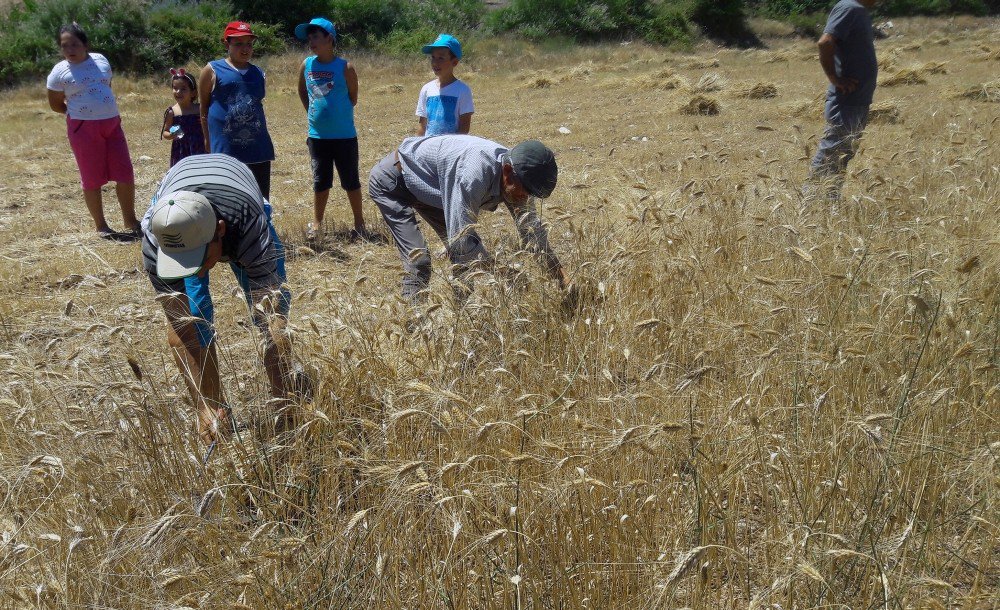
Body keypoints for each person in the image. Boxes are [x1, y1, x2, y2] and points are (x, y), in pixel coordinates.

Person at [141, 153, 293, 445]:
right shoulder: (154, 239)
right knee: (193, 319)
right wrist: (206, 406)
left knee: (273, 312)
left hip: (235, 186)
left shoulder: (249, 224)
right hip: (182, 190)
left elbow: (272, 318)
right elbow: (181, 327)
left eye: (198, 258)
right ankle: (215, 409)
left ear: (220, 231)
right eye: (181, 262)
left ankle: (285, 396)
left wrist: (285, 405)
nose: (193, 270)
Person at [368, 135, 572, 303]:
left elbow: (532, 234)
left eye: (531, 195)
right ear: (508, 173)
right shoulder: (474, 174)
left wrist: (561, 276)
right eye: (525, 192)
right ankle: (413, 330)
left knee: (463, 263)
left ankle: (461, 321)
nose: (525, 198)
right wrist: (501, 271)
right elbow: (461, 240)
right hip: (394, 182)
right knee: (419, 260)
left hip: (434, 187)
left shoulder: (520, 177)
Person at [46, 22, 140, 241]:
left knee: (125, 173)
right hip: (83, 127)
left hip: (112, 123)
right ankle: (102, 226)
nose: (70, 50)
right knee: (92, 178)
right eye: (64, 45)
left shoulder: (101, 60)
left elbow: (106, 85)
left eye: (74, 44)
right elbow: (55, 104)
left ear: (85, 44)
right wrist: (82, 117)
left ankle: (130, 220)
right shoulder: (59, 72)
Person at [293, 17, 370, 242]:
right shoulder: (306, 65)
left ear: (329, 39)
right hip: (318, 137)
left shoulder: (345, 67)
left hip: (344, 136)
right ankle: (317, 223)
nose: (311, 42)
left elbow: (353, 97)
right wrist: (313, 112)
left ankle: (359, 223)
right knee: (320, 181)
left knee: (351, 181)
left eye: (316, 37)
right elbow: (302, 91)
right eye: (309, 38)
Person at [807, 0, 879, 202]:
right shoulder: (849, 7)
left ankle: (829, 201)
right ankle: (810, 203)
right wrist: (834, 79)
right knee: (832, 152)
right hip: (846, 101)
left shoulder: (858, 11)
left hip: (858, 100)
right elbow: (825, 42)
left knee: (842, 155)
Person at [198, 22, 276, 198]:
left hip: (257, 148)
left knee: (260, 199)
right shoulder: (212, 70)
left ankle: (261, 226)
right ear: (227, 44)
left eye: (249, 44)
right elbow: (204, 109)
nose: (245, 49)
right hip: (226, 147)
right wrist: (207, 140)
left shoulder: (258, 73)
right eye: (238, 44)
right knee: (228, 198)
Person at [416, 34, 474, 137]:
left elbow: (464, 128)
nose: (435, 62)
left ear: (454, 62)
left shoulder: (462, 90)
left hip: (450, 149)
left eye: (441, 58)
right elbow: (422, 126)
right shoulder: (426, 89)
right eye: (433, 57)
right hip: (429, 148)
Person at [160, 68, 206, 167]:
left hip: (200, 148)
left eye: (183, 89)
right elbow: (165, 132)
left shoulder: (200, 109)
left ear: (193, 93)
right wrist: (171, 135)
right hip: (181, 151)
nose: (178, 92)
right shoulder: (172, 112)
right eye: (175, 88)